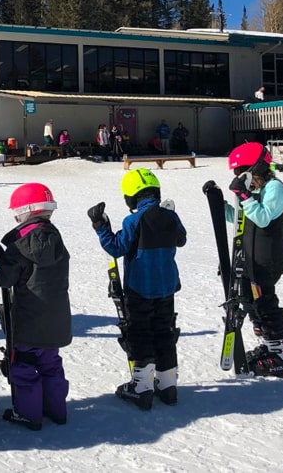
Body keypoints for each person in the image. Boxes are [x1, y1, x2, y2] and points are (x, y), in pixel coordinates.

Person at [87, 168, 186, 410]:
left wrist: (100, 225)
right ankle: (167, 384)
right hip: (166, 286)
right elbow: (181, 239)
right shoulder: (170, 217)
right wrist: (170, 216)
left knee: (140, 332)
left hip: (140, 288)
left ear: (130, 197)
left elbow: (116, 248)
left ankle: (142, 387)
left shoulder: (133, 221)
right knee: (164, 330)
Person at [206, 143, 283, 378]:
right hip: (248, 258)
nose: (243, 179)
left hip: (267, 258)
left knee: (265, 303)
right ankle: (270, 345)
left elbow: (263, 218)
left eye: (245, 173)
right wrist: (218, 202)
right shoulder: (251, 193)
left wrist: (244, 195)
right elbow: (238, 217)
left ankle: (282, 354)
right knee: (250, 302)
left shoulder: (275, 188)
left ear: (259, 168)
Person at [0, 183, 71, 431]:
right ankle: (56, 409)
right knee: (50, 364)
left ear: (27, 211)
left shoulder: (20, 246)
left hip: (27, 319)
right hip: (55, 319)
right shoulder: (56, 239)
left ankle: (29, 413)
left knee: (25, 366)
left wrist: (2, 268)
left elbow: (6, 280)